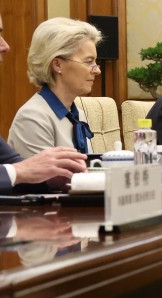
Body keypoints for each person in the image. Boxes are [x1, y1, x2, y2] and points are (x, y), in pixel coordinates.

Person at [0, 12, 87, 191]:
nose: (5, 46)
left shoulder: (78, 111)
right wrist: (17, 172)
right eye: (89, 61)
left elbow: (23, 168)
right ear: (57, 65)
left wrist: (52, 178)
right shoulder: (32, 115)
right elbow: (21, 170)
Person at [9, 17, 102, 157]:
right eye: (89, 61)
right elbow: (44, 178)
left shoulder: (78, 114)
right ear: (58, 65)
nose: (97, 70)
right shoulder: (32, 118)